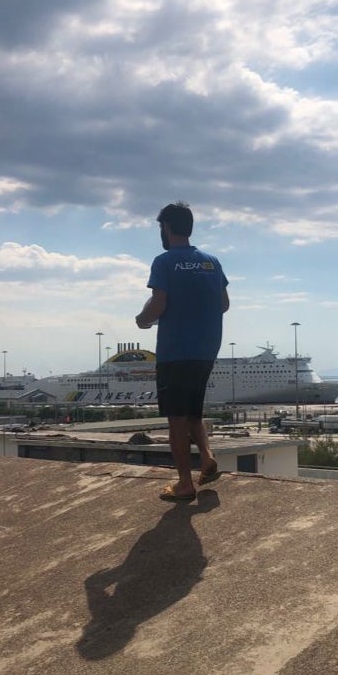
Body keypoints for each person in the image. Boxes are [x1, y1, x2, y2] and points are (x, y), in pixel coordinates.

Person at [136, 202, 229, 502]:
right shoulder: (211, 262)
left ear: (166, 228)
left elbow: (158, 303)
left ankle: (185, 483)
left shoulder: (164, 262)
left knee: (176, 419)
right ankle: (207, 458)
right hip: (206, 350)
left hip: (176, 352)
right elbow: (224, 304)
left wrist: (142, 319)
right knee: (193, 412)